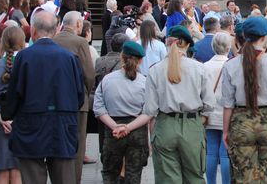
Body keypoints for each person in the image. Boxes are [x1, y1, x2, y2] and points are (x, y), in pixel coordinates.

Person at [119, 25, 212, 183]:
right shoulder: (200, 69)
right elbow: (209, 105)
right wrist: (197, 122)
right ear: (188, 45)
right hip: (192, 125)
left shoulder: (155, 70)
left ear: (167, 43)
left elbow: (150, 110)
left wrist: (140, 132)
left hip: (165, 125)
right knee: (195, 177)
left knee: (167, 178)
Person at [3, 11, 84, 184]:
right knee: (64, 177)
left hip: (30, 126)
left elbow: (15, 94)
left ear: (32, 31)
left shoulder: (24, 57)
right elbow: (79, 95)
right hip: (62, 124)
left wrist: (8, 115)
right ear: (56, 31)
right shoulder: (70, 58)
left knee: (32, 177)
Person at [221, 17, 267, 183]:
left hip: (241, 121)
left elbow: (228, 103)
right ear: (264, 37)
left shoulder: (230, 65)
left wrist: (225, 130)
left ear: (244, 35)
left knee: (244, 177)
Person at [93, 41, 148, 184]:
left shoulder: (107, 80)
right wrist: (128, 127)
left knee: (110, 173)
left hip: (113, 130)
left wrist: (115, 126)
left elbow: (98, 108)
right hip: (137, 130)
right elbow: (149, 112)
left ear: (121, 57)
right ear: (141, 60)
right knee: (133, 173)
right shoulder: (144, 82)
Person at [52, 11, 96, 181]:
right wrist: (86, 92)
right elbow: (89, 74)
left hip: (54, 100)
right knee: (77, 144)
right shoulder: (80, 42)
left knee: (57, 141)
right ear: (78, 24)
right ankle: (74, 179)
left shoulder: (53, 40)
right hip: (78, 101)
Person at [0, 26, 26, 184]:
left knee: (1, 172)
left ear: (2, 43)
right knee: (18, 172)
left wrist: (2, 120)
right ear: (23, 42)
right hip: (22, 122)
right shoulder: (28, 66)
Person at [203, 32, 233, 184]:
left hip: (209, 113)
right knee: (225, 153)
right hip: (227, 114)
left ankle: (211, 182)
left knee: (211, 152)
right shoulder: (232, 65)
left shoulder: (204, 66)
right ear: (228, 47)